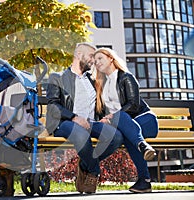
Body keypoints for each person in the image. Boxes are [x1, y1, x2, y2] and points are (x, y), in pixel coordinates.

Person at [46, 42, 124, 194]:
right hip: (65, 123)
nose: (93, 61)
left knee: (116, 136)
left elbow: (100, 103)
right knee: (80, 133)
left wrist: (105, 117)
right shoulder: (58, 77)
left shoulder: (92, 80)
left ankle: (84, 165)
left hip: (90, 123)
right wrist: (74, 117)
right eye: (90, 56)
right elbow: (53, 106)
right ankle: (93, 172)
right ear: (78, 55)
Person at [93, 47, 158, 193]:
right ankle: (144, 179)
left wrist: (113, 117)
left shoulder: (126, 77)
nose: (96, 62)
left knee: (121, 117)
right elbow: (100, 111)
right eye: (95, 61)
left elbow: (134, 104)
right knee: (127, 135)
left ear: (111, 58)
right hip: (125, 128)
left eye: (100, 58)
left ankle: (142, 149)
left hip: (145, 120)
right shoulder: (101, 85)